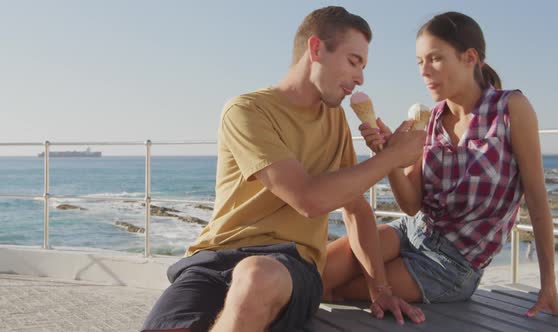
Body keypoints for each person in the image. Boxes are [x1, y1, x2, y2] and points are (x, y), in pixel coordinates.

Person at [142, 6, 427, 332]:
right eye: (353, 61)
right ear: (316, 49)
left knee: (255, 276)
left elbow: (357, 210)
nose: (360, 77)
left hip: (290, 265)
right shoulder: (246, 111)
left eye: (363, 66)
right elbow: (307, 198)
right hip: (212, 260)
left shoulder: (336, 122)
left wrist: (381, 290)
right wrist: (391, 157)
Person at [323, 11, 558, 317]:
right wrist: (386, 153)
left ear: (470, 57)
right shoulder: (429, 120)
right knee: (315, 275)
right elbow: (410, 205)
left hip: (451, 267)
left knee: (333, 291)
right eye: (420, 62)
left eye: (435, 59)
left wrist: (548, 285)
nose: (424, 71)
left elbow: (539, 204)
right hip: (410, 231)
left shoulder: (510, 109)